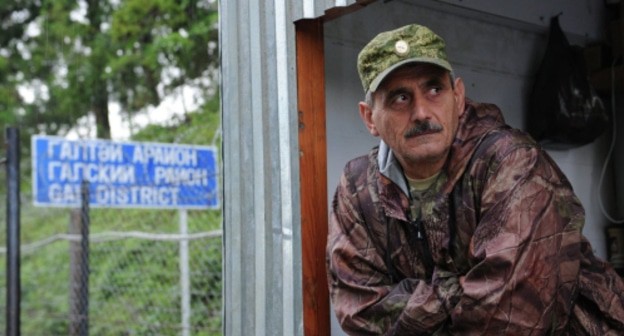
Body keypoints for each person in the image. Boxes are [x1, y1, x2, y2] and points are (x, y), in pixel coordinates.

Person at [326, 23, 624, 335]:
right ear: (369, 117)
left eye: (434, 89)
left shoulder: (512, 162)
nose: (421, 112)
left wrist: (418, 306)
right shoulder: (358, 185)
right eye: (399, 98)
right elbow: (358, 311)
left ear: (458, 96)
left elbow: (511, 318)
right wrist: (452, 292)